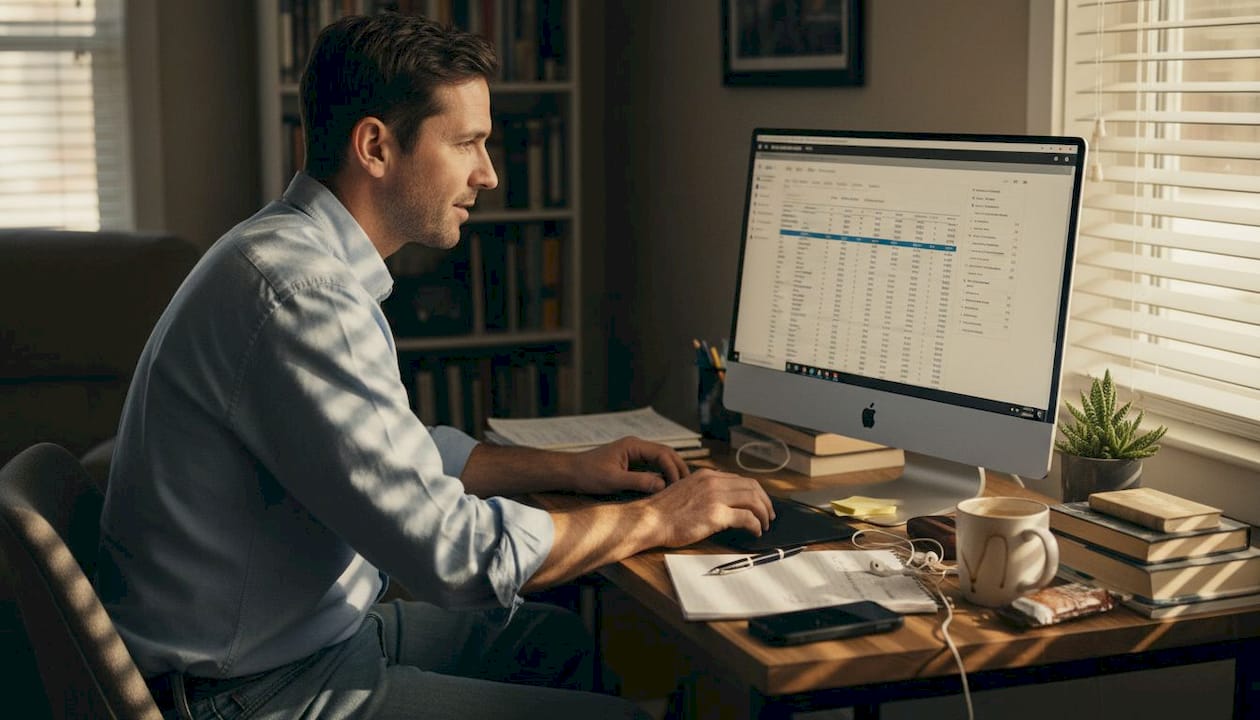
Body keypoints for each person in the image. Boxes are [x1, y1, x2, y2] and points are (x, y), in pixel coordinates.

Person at [95, 12, 774, 720]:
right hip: (254, 694)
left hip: (303, 646)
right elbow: (454, 557)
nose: (489, 174)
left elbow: (397, 460)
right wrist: (659, 518)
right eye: (467, 143)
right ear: (375, 147)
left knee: (558, 643)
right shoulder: (301, 297)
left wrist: (570, 469)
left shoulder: (284, 256)